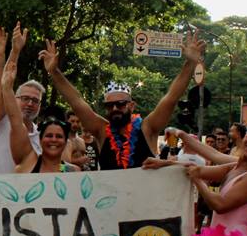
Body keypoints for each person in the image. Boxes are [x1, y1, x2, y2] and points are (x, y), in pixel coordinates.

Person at [41, 32, 204, 170]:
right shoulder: (101, 130)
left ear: (131, 105)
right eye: (109, 105)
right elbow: (76, 101)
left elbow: (171, 98)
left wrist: (190, 64)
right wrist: (54, 72)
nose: (114, 109)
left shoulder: (148, 128)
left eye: (120, 104)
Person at [0, 24, 44, 174]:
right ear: (14, 98)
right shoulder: (2, 120)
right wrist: (15, 51)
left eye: (35, 100)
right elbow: (6, 81)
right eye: (25, 98)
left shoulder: (41, 136)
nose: (30, 103)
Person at [1, 60, 79, 174]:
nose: (53, 140)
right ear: (40, 140)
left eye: (59, 136)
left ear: (66, 141)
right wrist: (7, 88)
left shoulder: (72, 171)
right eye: (49, 135)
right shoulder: (30, 162)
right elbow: (16, 121)